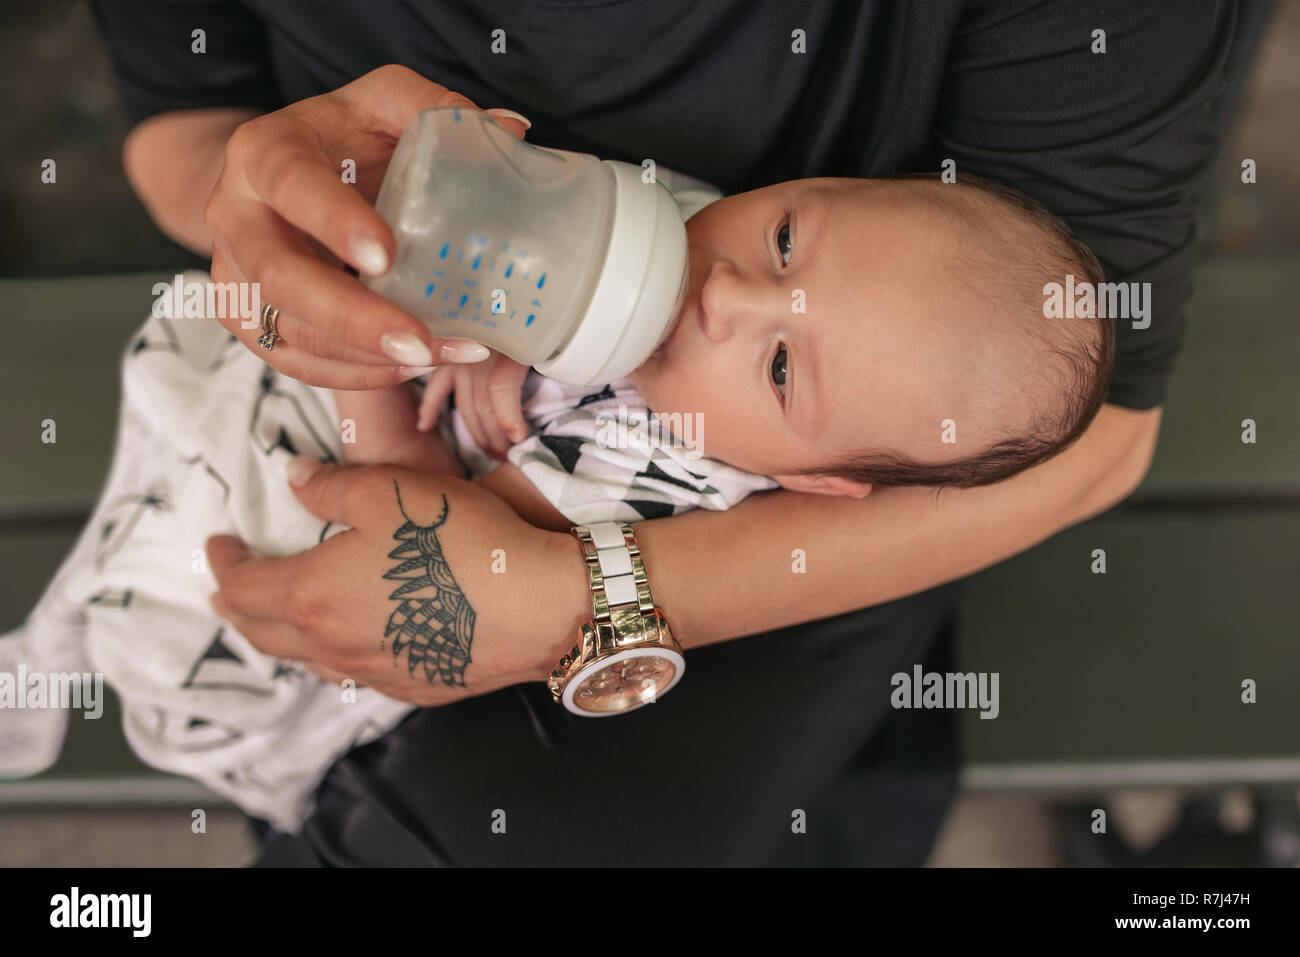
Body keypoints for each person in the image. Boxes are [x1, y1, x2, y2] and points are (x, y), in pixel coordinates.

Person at [84, 1, 1242, 864]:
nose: (733, 291)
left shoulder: (673, 469)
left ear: (819, 479)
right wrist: (349, 233)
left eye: (783, 365)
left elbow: (444, 522)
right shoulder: (683, 222)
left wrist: (416, 374)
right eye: (788, 237)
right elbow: (179, 129)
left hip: (476, 541)